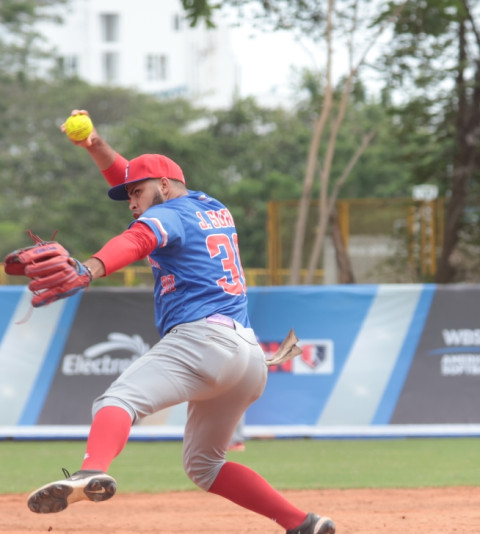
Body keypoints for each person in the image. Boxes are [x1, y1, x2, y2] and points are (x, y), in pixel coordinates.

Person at [25, 110, 336, 534]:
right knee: (205, 467)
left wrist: (89, 269)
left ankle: (89, 472)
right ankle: (302, 523)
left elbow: (136, 239)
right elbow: (137, 178)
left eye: (137, 194)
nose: (132, 203)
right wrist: (96, 145)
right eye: (129, 195)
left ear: (165, 187)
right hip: (247, 357)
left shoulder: (167, 215)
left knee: (117, 402)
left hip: (203, 340)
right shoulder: (209, 208)